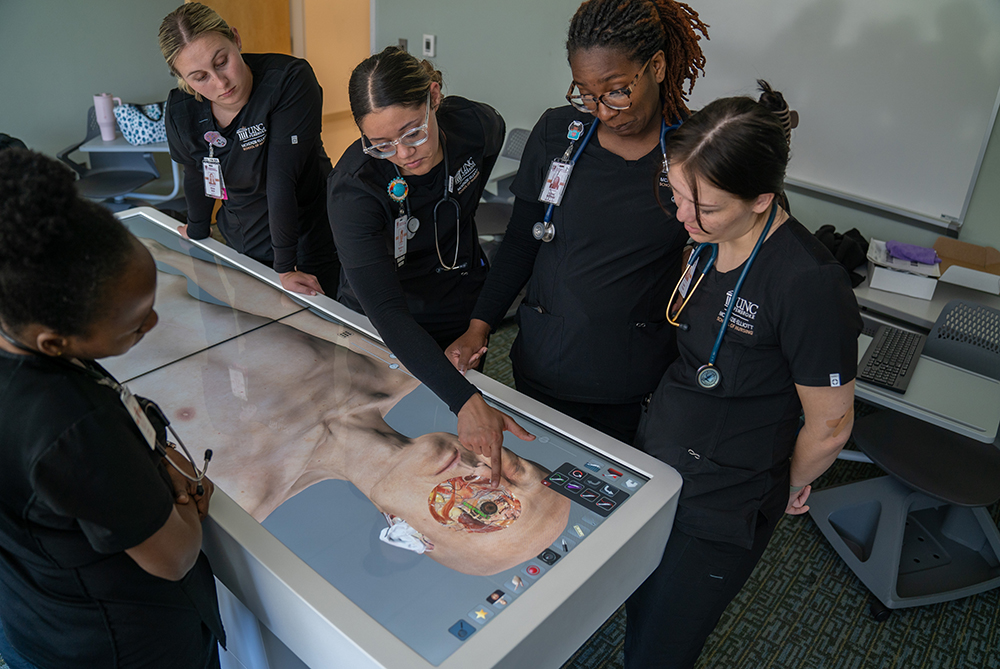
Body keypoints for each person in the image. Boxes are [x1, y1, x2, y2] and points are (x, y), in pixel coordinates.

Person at [122, 234, 570, 576]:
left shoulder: (238, 494)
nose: (482, 474)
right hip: (131, 270)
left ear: (411, 538)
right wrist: (171, 251)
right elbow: (283, 307)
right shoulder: (394, 371)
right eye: (514, 469)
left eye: (486, 509)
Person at [623, 83, 862, 669]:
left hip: (723, 499)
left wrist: (784, 486)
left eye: (703, 206)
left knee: (661, 644)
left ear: (761, 198)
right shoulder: (708, 239)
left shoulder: (807, 283)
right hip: (663, 458)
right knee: (637, 602)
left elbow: (830, 426)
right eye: (675, 194)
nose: (683, 216)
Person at [447, 0, 709, 445]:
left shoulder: (696, 150)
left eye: (616, 90)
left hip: (635, 375)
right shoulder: (558, 134)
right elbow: (520, 243)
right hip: (546, 360)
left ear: (658, 66)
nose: (603, 110)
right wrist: (479, 325)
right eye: (586, 94)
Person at [0, 150, 224, 668]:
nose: (152, 324)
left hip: (37, 616)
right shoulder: (72, 427)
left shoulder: (21, 341)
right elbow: (174, 556)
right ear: (55, 343)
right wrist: (185, 502)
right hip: (121, 647)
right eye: (135, 324)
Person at [328, 47, 532, 484]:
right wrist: (466, 400)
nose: (403, 153)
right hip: (384, 320)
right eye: (381, 144)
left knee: (453, 451)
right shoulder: (355, 189)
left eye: (413, 133)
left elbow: (469, 189)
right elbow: (387, 313)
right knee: (393, 438)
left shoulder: (479, 127)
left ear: (434, 97)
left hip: (456, 296)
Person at [159, 2, 340, 296]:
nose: (220, 82)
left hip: (308, 239)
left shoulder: (288, 80)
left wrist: (286, 268)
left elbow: (281, 180)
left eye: (221, 62)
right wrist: (197, 229)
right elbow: (195, 171)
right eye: (199, 77)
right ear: (182, 78)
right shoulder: (182, 110)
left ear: (236, 38)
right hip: (242, 240)